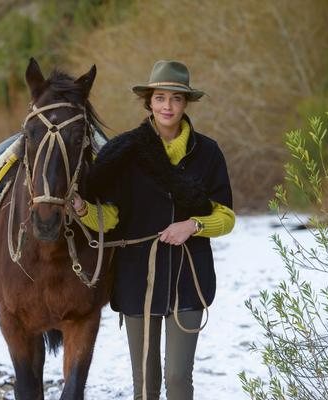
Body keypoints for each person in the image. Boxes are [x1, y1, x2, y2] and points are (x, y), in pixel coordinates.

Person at [73, 60, 235, 400]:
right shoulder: (125, 152)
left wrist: (192, 225)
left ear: (185, 103)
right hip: (137, 279)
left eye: (175, 98)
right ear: (149, 101)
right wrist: (83, 210)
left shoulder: (207, 152)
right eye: (160, 98)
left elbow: (226, 217)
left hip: (189, 280)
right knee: (145, 385)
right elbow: (112, 218)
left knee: (177, 379)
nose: (167, 106)